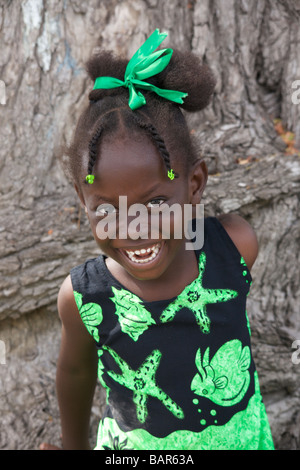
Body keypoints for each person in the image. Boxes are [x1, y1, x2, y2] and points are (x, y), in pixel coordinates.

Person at [40, 30, 274, 450]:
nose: (133, 228)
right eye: (106, 208)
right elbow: (75, 373)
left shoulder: (235, 247)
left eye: (154, 203)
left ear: (195, 184)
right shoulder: (82, 298)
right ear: (83, 200)